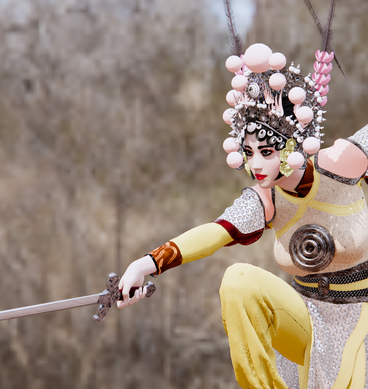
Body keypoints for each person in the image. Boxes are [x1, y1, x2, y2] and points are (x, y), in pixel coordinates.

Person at [116, 42, 368, 388]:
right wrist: (146, 264)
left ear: (293, 145)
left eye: (267, 151)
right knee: (238, 281)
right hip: (305, 315)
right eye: (248, 152)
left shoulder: (342, 164)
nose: (256, 165)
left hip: (360, 313)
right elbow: (215, 233)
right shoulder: (267, 199)